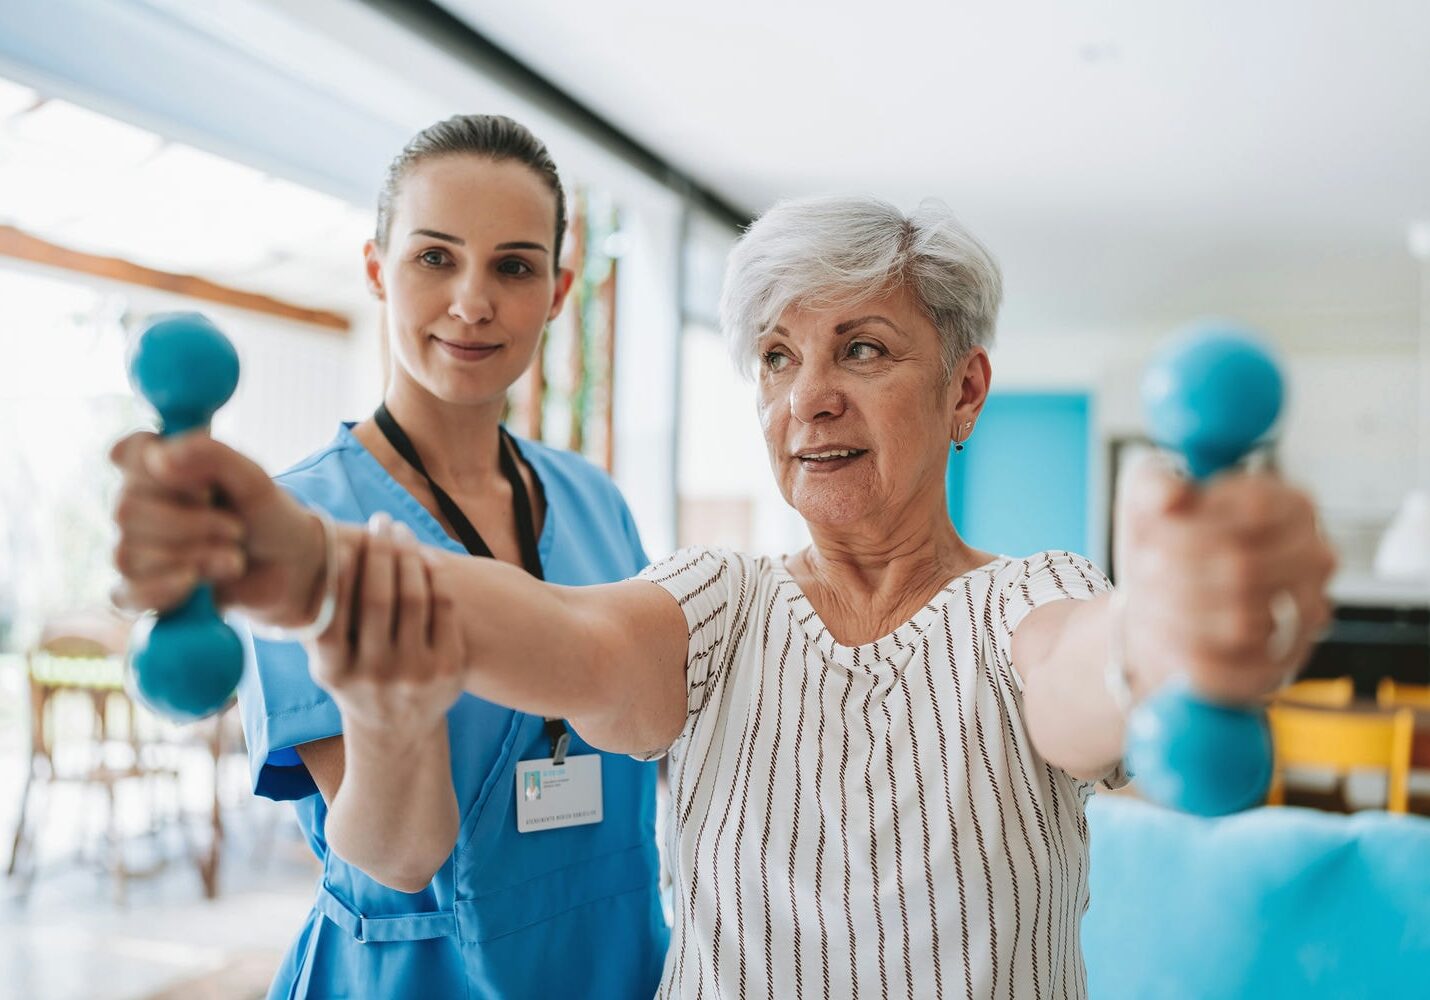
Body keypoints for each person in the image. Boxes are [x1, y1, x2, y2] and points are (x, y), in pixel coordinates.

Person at [111, 195, 1335, 998]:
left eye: (861, 348)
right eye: (774, 357)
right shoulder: (718, 601)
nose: (808, 397)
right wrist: (302, 558)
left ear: (964, 392)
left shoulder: (1035, 595)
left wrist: (1165, 635)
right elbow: (562, 634)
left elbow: (1088, 669)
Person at [113, 115, 668, 999]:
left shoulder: (596, 500)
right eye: (435, 258)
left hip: (612, 963)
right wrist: (388, 710)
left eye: (513, 266)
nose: (472, 301)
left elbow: (655, 726)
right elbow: (401, 857)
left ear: (558, 292)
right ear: (376, 268)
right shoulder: (299, 523)